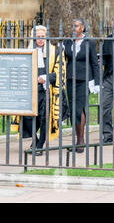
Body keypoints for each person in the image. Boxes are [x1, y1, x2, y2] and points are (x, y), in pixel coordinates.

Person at [22, 25, 68, 155]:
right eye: (38, 37)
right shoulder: (28, 51)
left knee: (44, 117)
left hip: (47, 90)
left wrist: (46, 78)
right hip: (30, 90)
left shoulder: (56, 51)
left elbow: (60, 73)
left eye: (43, 37)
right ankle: (35, 141)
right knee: (27, 117)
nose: (40, 39)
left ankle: (40, 145)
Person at [63, 18, 99, 153]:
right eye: (72, 26)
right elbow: (62, 58)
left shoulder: (89, 42)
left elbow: (95, 63)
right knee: (73, 110)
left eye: (76, 26)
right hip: (71, 79)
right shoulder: (67, 42)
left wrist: (96, 82)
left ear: (82, 28)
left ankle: (81, 141)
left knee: (78, 108)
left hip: (84, 80)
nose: (73, 28)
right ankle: (78, 139)